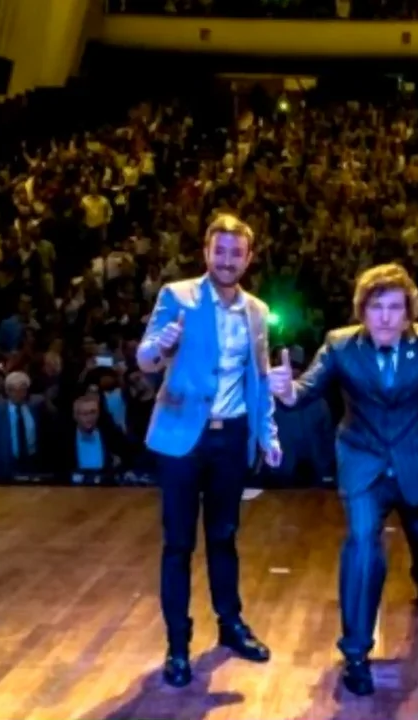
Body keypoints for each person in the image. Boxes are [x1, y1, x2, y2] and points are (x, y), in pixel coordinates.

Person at [267, 262, 418, 697]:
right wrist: (288, 391)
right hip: (363, 459)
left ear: (409, 313)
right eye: (376, 307)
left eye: (394, 307)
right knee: (363, 544)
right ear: (362, 311)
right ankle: (355, 653)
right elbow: (305, 391)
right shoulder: (339, 345)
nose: (385, 317)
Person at [136, 213, 282, 688]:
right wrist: (162, 345)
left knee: (224, 536)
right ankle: (177, 645)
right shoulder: (177, 296)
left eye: (236, 253)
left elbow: (260, 378)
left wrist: (268, 435)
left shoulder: (257, 311)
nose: (226, 260)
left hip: (231, 437)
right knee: (179, 543)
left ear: (248, 258)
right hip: (183, 437)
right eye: (219, 251)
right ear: (206, 252)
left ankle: (230, 624)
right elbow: (146, 360)